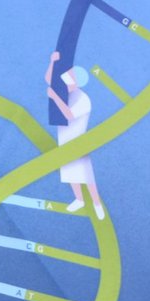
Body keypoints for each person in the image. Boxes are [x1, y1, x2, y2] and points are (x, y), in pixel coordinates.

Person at [45, 51, 104, 220]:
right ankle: (79, 199)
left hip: (77, 139)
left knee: (85, 173)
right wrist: (52, 62)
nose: (65, 81)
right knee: (69, 169)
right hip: (64, 135)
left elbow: (69, 115)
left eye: (69, 78)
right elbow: (49, 80)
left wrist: (55, 97)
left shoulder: (83, 99)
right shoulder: (67, 92)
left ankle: (97, 204)